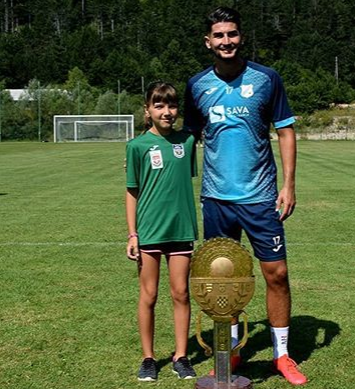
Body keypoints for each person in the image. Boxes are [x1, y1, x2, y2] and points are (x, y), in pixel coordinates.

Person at [183, 7, 307, 386]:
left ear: (241, 37)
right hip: (216, 199)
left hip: (260, 197)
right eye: (218, 36)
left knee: (277, 274)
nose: (226, 42)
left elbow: (285, 131)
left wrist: (288, 185)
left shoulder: (267, 79)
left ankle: (281, 356)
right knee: (223, 282)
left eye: (232, 34)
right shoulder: (196, 85)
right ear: (208, 42)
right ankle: (229, 355)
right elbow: (186, 139)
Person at [126, 81, 198, 382]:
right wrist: (132, 233)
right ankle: (148, 358)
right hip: (150, 232)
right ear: (147, 110)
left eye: (171, 105)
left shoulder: (188, 140)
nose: (166, 112)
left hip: (181, 229)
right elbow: (132, 191)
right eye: (159, 105)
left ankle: (181, 357)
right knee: (149, 295)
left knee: (181, 292)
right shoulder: (137, 146)